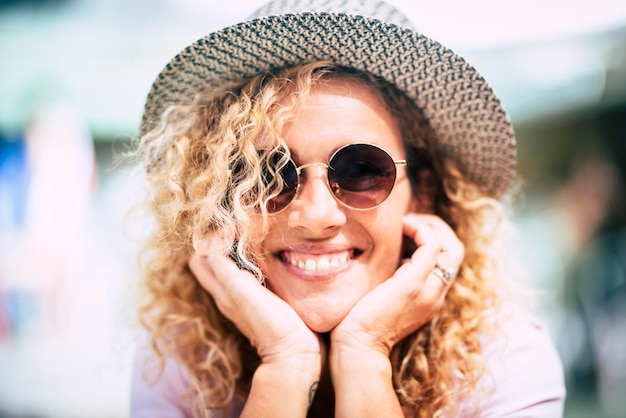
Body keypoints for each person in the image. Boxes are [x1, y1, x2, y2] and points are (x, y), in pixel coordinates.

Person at [130, 1, 566, 417]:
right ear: (223, 200)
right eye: (267, 175)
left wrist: (365, 353)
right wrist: (286, 366)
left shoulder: (504, 363)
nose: (318, 215)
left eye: (361, 170)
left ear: (423, 191)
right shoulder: (183, 361)